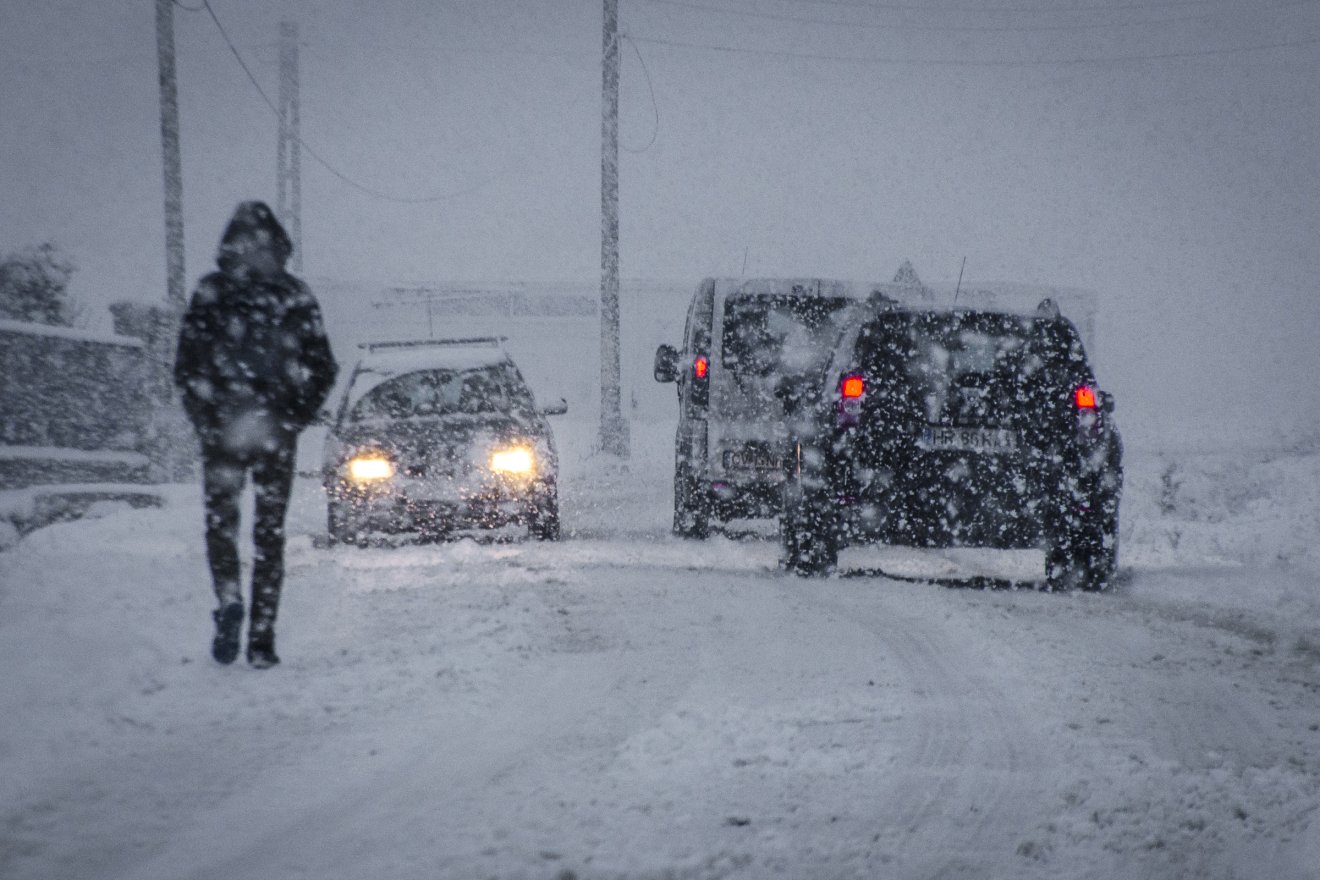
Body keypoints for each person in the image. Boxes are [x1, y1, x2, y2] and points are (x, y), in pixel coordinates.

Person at [174, 201, 337, 668]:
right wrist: (293, 418)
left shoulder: (211, 291)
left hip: (223, 430)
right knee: (269, 535)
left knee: (220, 526)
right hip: (274, 432)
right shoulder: (293, 295)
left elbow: (187, 367)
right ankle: (261, 640)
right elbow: (323, 366)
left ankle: (228, 599)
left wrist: (206, 420)